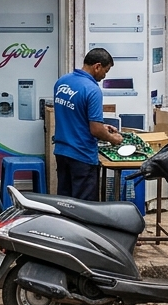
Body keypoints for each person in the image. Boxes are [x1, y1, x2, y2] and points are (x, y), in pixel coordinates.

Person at [52, 48, 125, 201]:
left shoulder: (62, 82)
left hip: (62, 152)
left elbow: (74, 116)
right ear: (97, 66)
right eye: (106, 71)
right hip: (82, 155)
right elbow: (95, 130)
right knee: (84, 207)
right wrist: (113, 139)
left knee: (65, 203)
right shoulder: (92, 90)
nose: (105, 76)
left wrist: (103, 127)